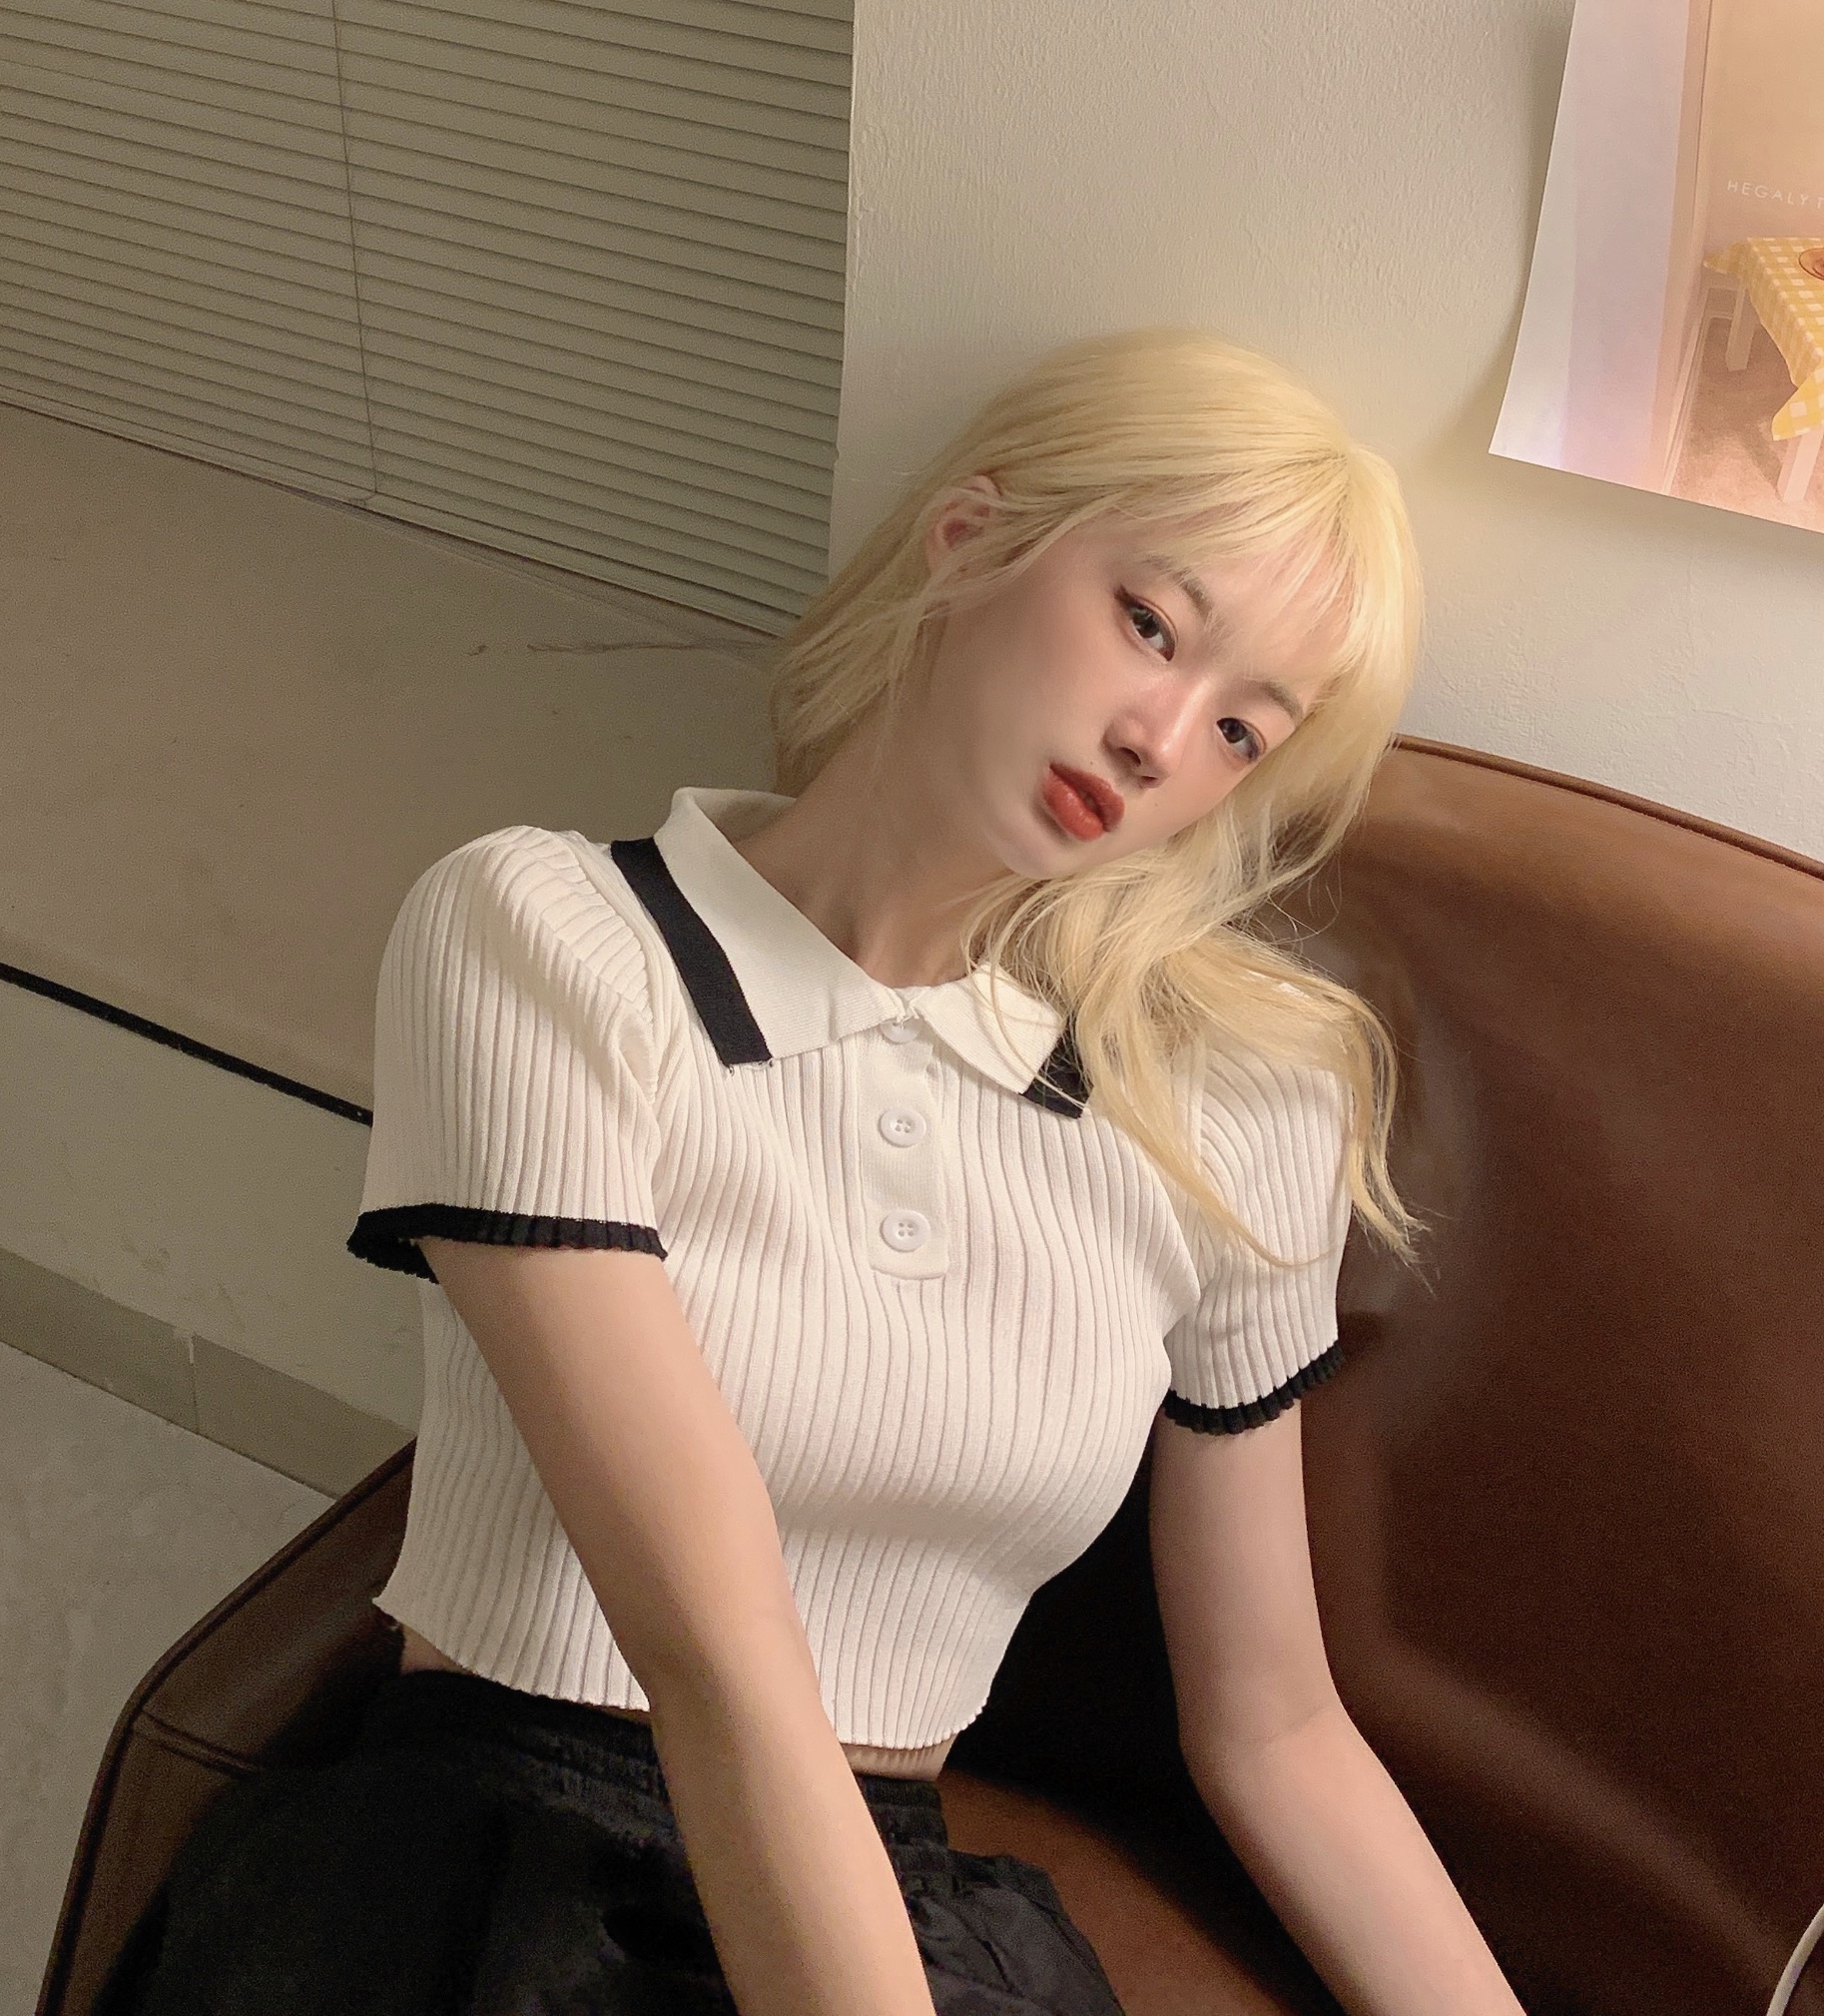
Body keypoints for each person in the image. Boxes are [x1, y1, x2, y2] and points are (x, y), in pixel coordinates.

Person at [109, 328, 1528, 2015]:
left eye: (1240, 728)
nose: (1158, 737)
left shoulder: (1228, 1110)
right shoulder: (550, 940)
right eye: (1149, 623)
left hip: (902, 1899)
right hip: (491, 1879)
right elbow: (716, 1650)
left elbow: (1275, 1728)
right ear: (969, 542)